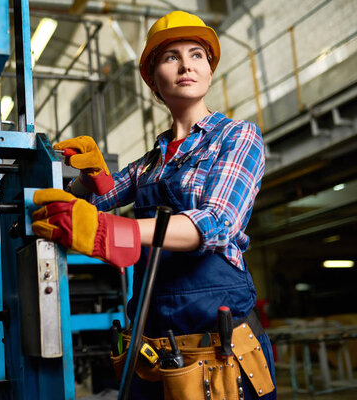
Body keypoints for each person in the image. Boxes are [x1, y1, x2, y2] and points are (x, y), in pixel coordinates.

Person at [32, 10, 276, 400]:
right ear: (153, 80)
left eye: (197, 55)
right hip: (153, 342)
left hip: (219, 344)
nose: (186, 65)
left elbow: (218, 221)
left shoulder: (237, 137)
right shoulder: (149, 162)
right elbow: (93, 202)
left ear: (210, 70)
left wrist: (121, 231)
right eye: (170, 57)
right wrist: (88, 176)